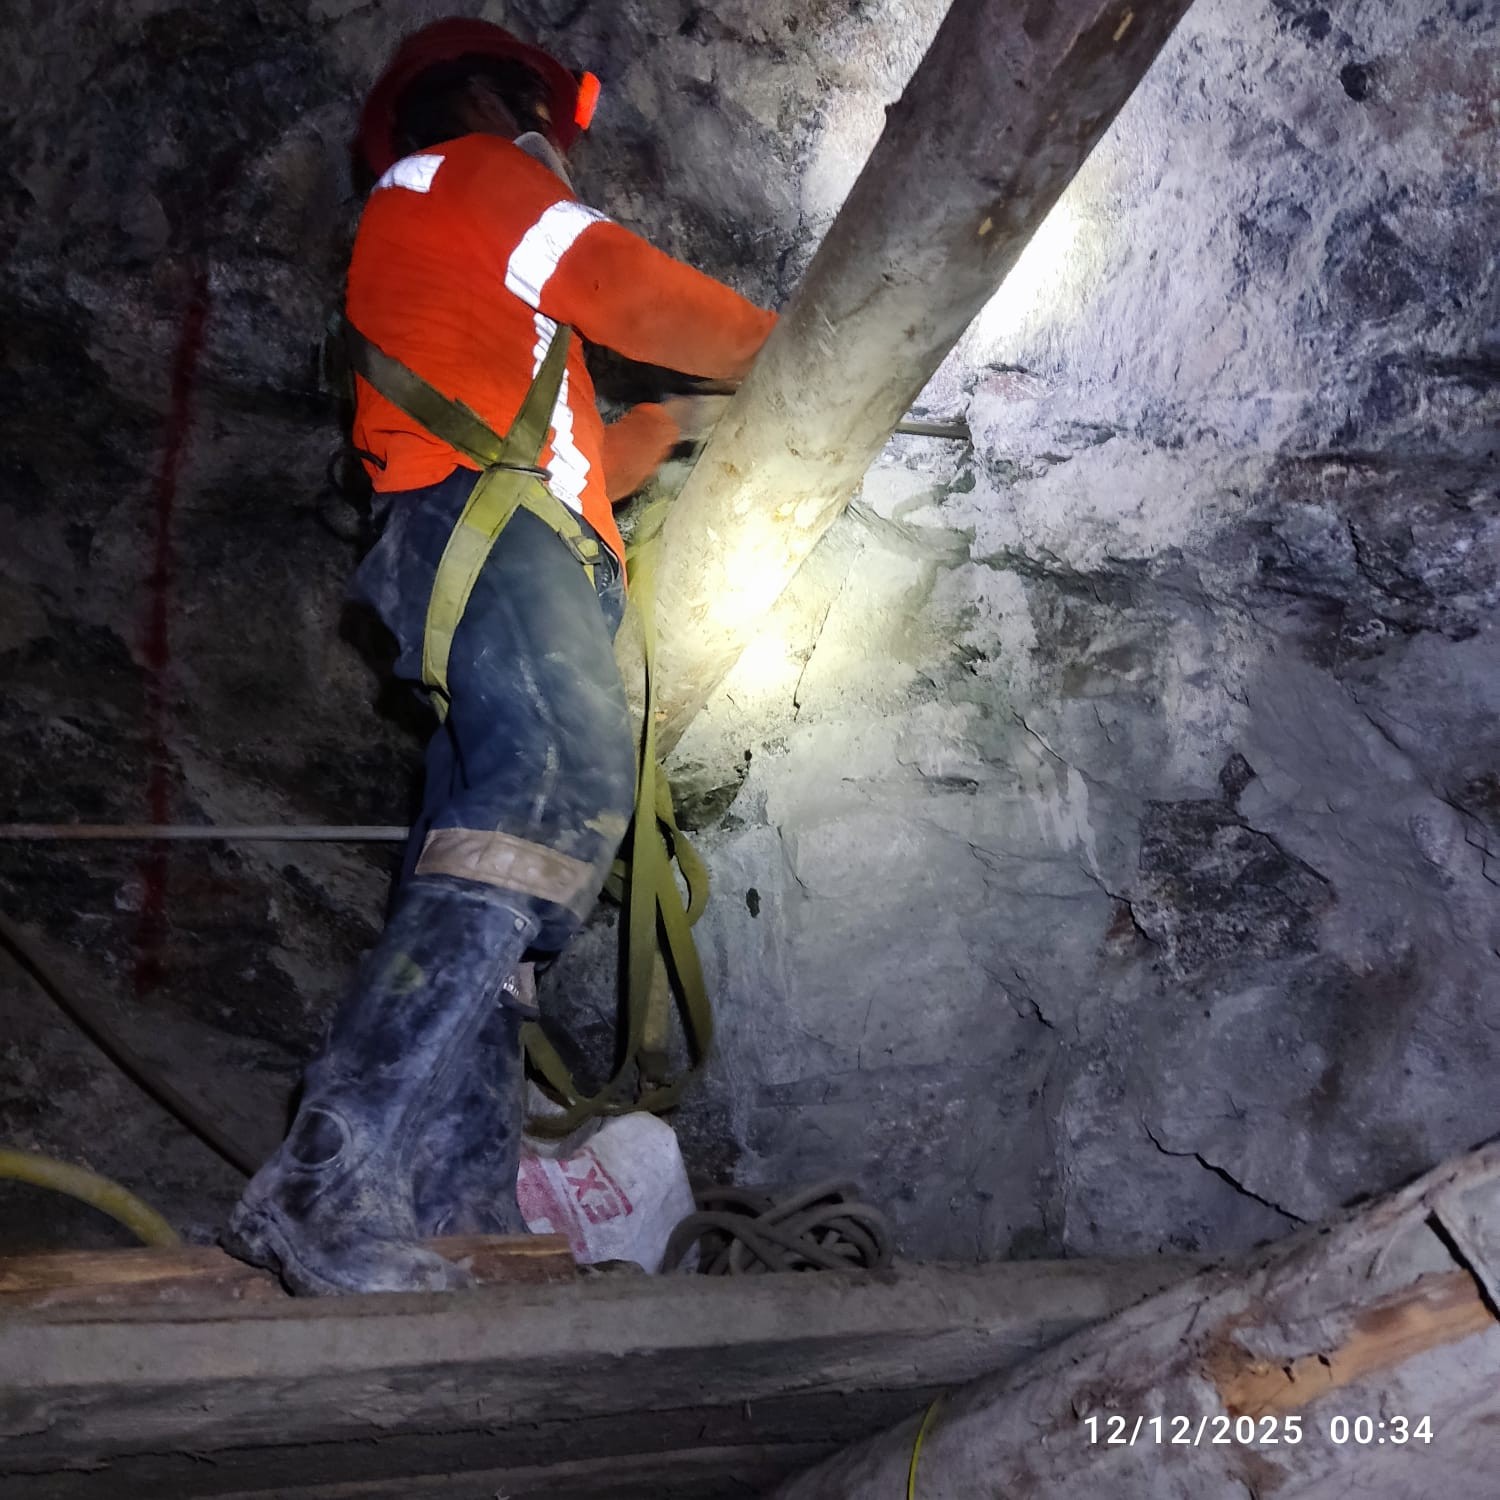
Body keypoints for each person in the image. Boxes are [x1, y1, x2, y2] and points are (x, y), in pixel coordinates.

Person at [225, 18, 776, 1295]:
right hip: (488, 540)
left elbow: (570, 465)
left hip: (495, 546)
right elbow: (625, 290)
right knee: (553, 796)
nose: (548, 147)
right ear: (480, 101)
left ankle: (460, 1207)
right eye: (533, 114)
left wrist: (666, 426)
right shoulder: (462, 176)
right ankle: (321, 1177)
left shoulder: (461, 283)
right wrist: (778, 337)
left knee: (486, 863)